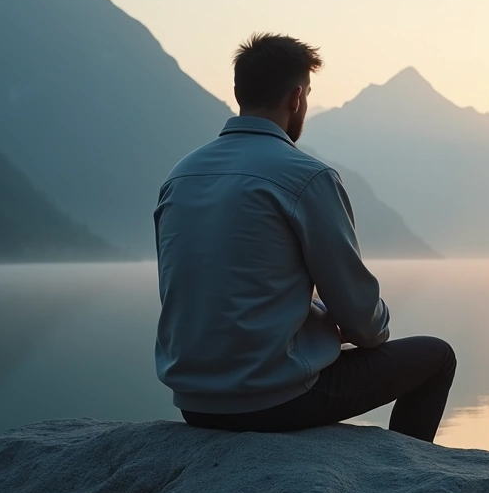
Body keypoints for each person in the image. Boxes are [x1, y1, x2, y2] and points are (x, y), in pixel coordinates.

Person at [153, 33, 456, 443]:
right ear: (296, 98)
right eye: (308, 95)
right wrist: (353, 323)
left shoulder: (180, 176)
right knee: (436, 357)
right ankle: (411, 477)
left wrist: (310, 313)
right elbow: (363, 322)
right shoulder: (305, 177)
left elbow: (206, 287)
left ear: (240, 92)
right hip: (274, 401)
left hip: (194, 402)